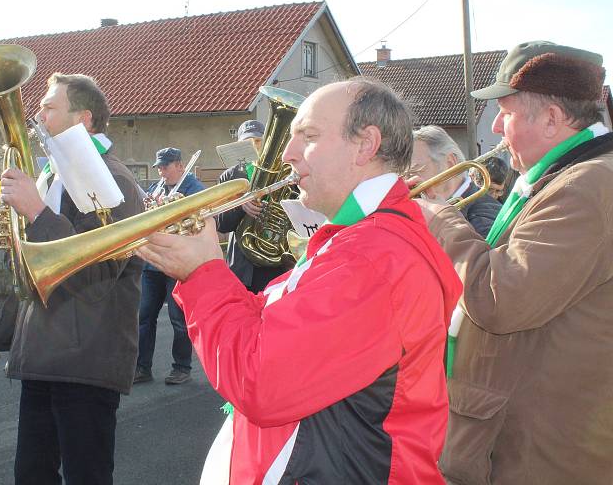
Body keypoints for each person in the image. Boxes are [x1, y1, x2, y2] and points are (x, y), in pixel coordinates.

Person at [137, 77, 463, 483]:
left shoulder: (372, 256)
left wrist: (203, 274)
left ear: (366, 144)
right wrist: (200, 265)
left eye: (307, 136)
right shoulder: (359, 238)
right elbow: (273, 322)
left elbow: (261, 381)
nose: (288, 153)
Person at [416, 41, 613, 484]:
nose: (498, 128)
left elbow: (500, 299)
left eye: (507, 113)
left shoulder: (586, 185)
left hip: (540, 455)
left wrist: (441, 219)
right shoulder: (565, 177)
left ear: (551, 118)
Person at [0, 72, 143, 485]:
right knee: (32, 475)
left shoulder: (113, 179)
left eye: (49, 106)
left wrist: (37, 214)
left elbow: (97, 268)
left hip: (85, 355)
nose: (37, 113)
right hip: (47, 351)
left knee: (86, 475)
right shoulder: (55, 173)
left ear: (84, 119)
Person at [134, 147, 205, 385]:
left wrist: (174, 205)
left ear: (179, 165)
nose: (161, 172)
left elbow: (200, 217)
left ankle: (182, 367)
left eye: (165, 167)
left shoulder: (193, 188)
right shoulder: (157, 188)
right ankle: (142, 367)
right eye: (160, 168)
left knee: (178, 318)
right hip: (152, 262)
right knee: (144, 316)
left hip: (177, 261)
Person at [214, 120, 287, 293]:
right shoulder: (230, 175)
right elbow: (222, 224)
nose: (254, 146)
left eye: (258, 141)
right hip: (241, 262)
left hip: (275, 260)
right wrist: (241, 205)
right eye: (247, 142)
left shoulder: (282, 172)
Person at [411, 125, 501, 237]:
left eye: (415, 169)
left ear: (450, 163)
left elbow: (483, 253)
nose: (409, 180)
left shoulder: (485, 211)